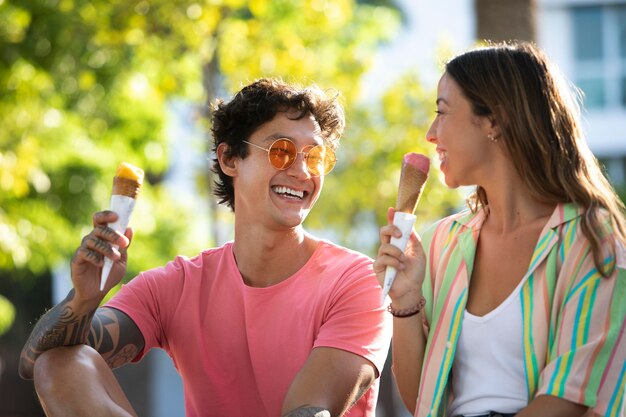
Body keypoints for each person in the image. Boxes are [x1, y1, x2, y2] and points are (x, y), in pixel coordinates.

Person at [19, 78, 391, 417]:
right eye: (282, 151)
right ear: (230, 159)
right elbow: (35, 360)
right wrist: (85, 298)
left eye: (315, 157)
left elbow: (308, 412)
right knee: (60, 363)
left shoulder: (358, 281)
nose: (302, 172)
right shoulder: (178, 285)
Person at [375, 41, 626, 417]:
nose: (431, 132)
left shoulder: (593, 240)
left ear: (494, 120)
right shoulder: (444, 241)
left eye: (442, 112)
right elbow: (422, 402)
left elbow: (567, 402)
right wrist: (406, 301)